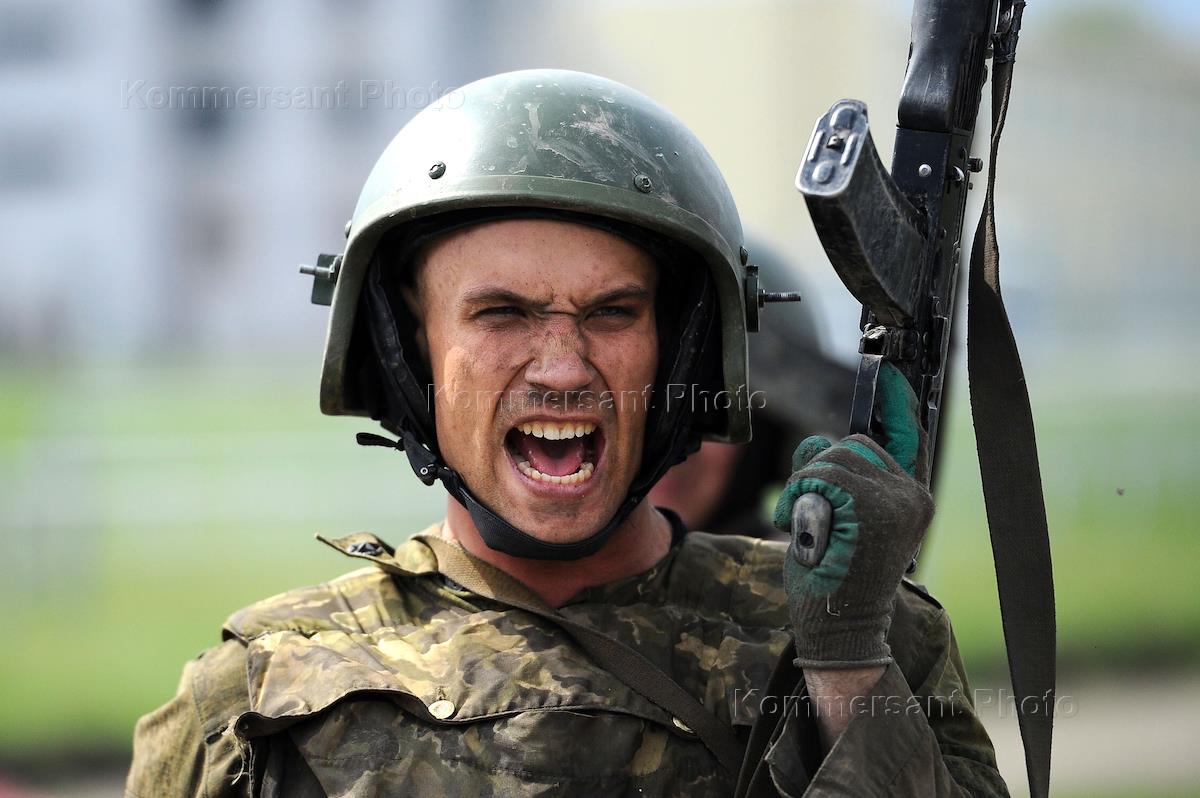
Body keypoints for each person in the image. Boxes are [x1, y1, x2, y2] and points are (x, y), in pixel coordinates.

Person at [126, 69, 1007, 797]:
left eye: (612, 312)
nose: (561, 368)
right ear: (407, 352)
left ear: (682, 348)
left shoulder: (863, 635)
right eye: (500, 313)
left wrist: (846, 661)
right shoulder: (254, 704)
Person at [649, 239, 856, 539]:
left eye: (714, 407)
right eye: (651, 399)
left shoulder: (804, 567)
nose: (672, 438)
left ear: (767, 434)